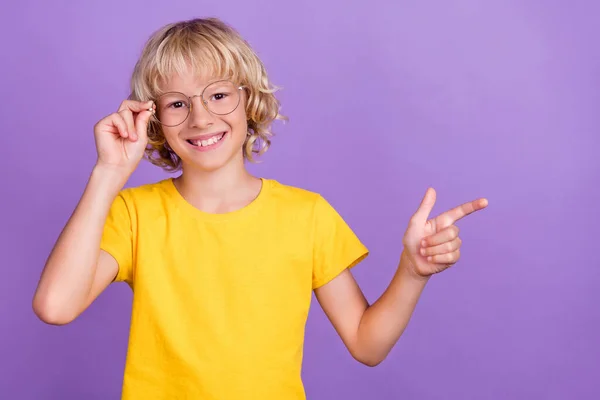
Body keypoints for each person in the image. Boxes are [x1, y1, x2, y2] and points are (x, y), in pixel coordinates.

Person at [32, 17, 488, 400]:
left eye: (217, 95)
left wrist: (412, 271)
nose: (201, 118)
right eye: (177, 103)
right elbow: (55, 306)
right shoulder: (134, 214)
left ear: (248, 99)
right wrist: (109, 173)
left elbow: (367, 345)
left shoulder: (306, 216)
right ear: (153, 120)